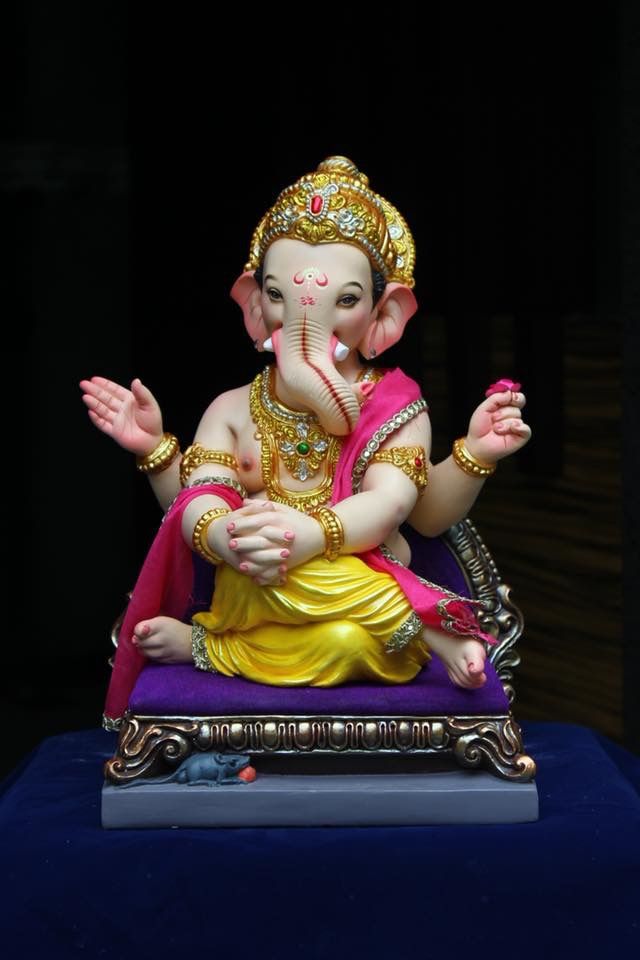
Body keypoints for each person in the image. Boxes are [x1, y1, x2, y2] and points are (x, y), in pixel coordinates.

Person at [81, 157, 530, 727]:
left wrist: (308, 537)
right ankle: (419, 628)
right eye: (278, 294)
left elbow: (396, 505)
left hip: (356, 579)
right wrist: (226, 532)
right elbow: (198, 499)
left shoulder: (395, 404)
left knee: (346, 640)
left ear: (384, 314)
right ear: (256, 304)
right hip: (256, 579)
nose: (305, 321)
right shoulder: (232, 408)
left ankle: (209, 649)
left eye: (345, 300)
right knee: (254, 579)